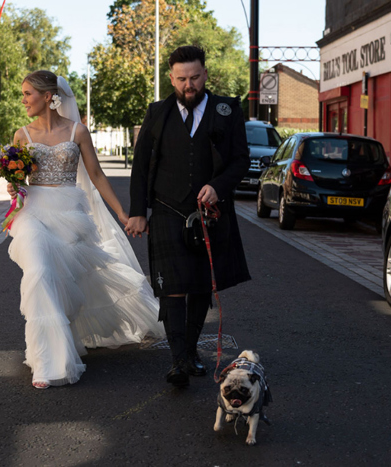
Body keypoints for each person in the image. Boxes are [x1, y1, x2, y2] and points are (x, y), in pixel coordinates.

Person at [6, 70, 163, 389]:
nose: (23, 100)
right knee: (38, 273)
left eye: (27, 94)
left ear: (48, 96)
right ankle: (47, 362)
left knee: (60, 280)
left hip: (68, 212)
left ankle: (61, 344)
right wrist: (13, 187)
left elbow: (96, 176)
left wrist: (123, 212)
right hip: (33, 212)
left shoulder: (78, 131)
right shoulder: (21, 135)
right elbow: (17, 181)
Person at [126, 46, 251, 387]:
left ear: (206, 74)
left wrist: (218, 186)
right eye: (181, 79)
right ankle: (179, 360)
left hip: (210, 214)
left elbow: (241, 159)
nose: (188, 85)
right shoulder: (157, 113)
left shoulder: (227, 110)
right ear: (171, 78)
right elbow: (140, 166)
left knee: (199, 286)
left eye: (194, 77)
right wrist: (138, 211)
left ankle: (191, 352)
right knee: (172, 289)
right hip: (167, 210)